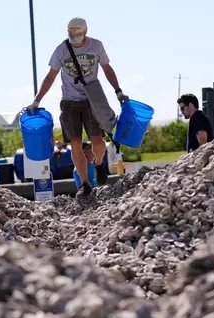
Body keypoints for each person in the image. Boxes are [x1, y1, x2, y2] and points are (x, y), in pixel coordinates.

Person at [26, 17, 128, 197]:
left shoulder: (96, 46)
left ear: (85, 33)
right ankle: (85, 183)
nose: (75, 40)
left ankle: (98, 165)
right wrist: (37, 100)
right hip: (69, 102)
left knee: (98, 141)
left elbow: (107, 69)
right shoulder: (61, 49)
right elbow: (50, 76)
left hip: (91, 101)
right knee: (76, 145)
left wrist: (118, 91)